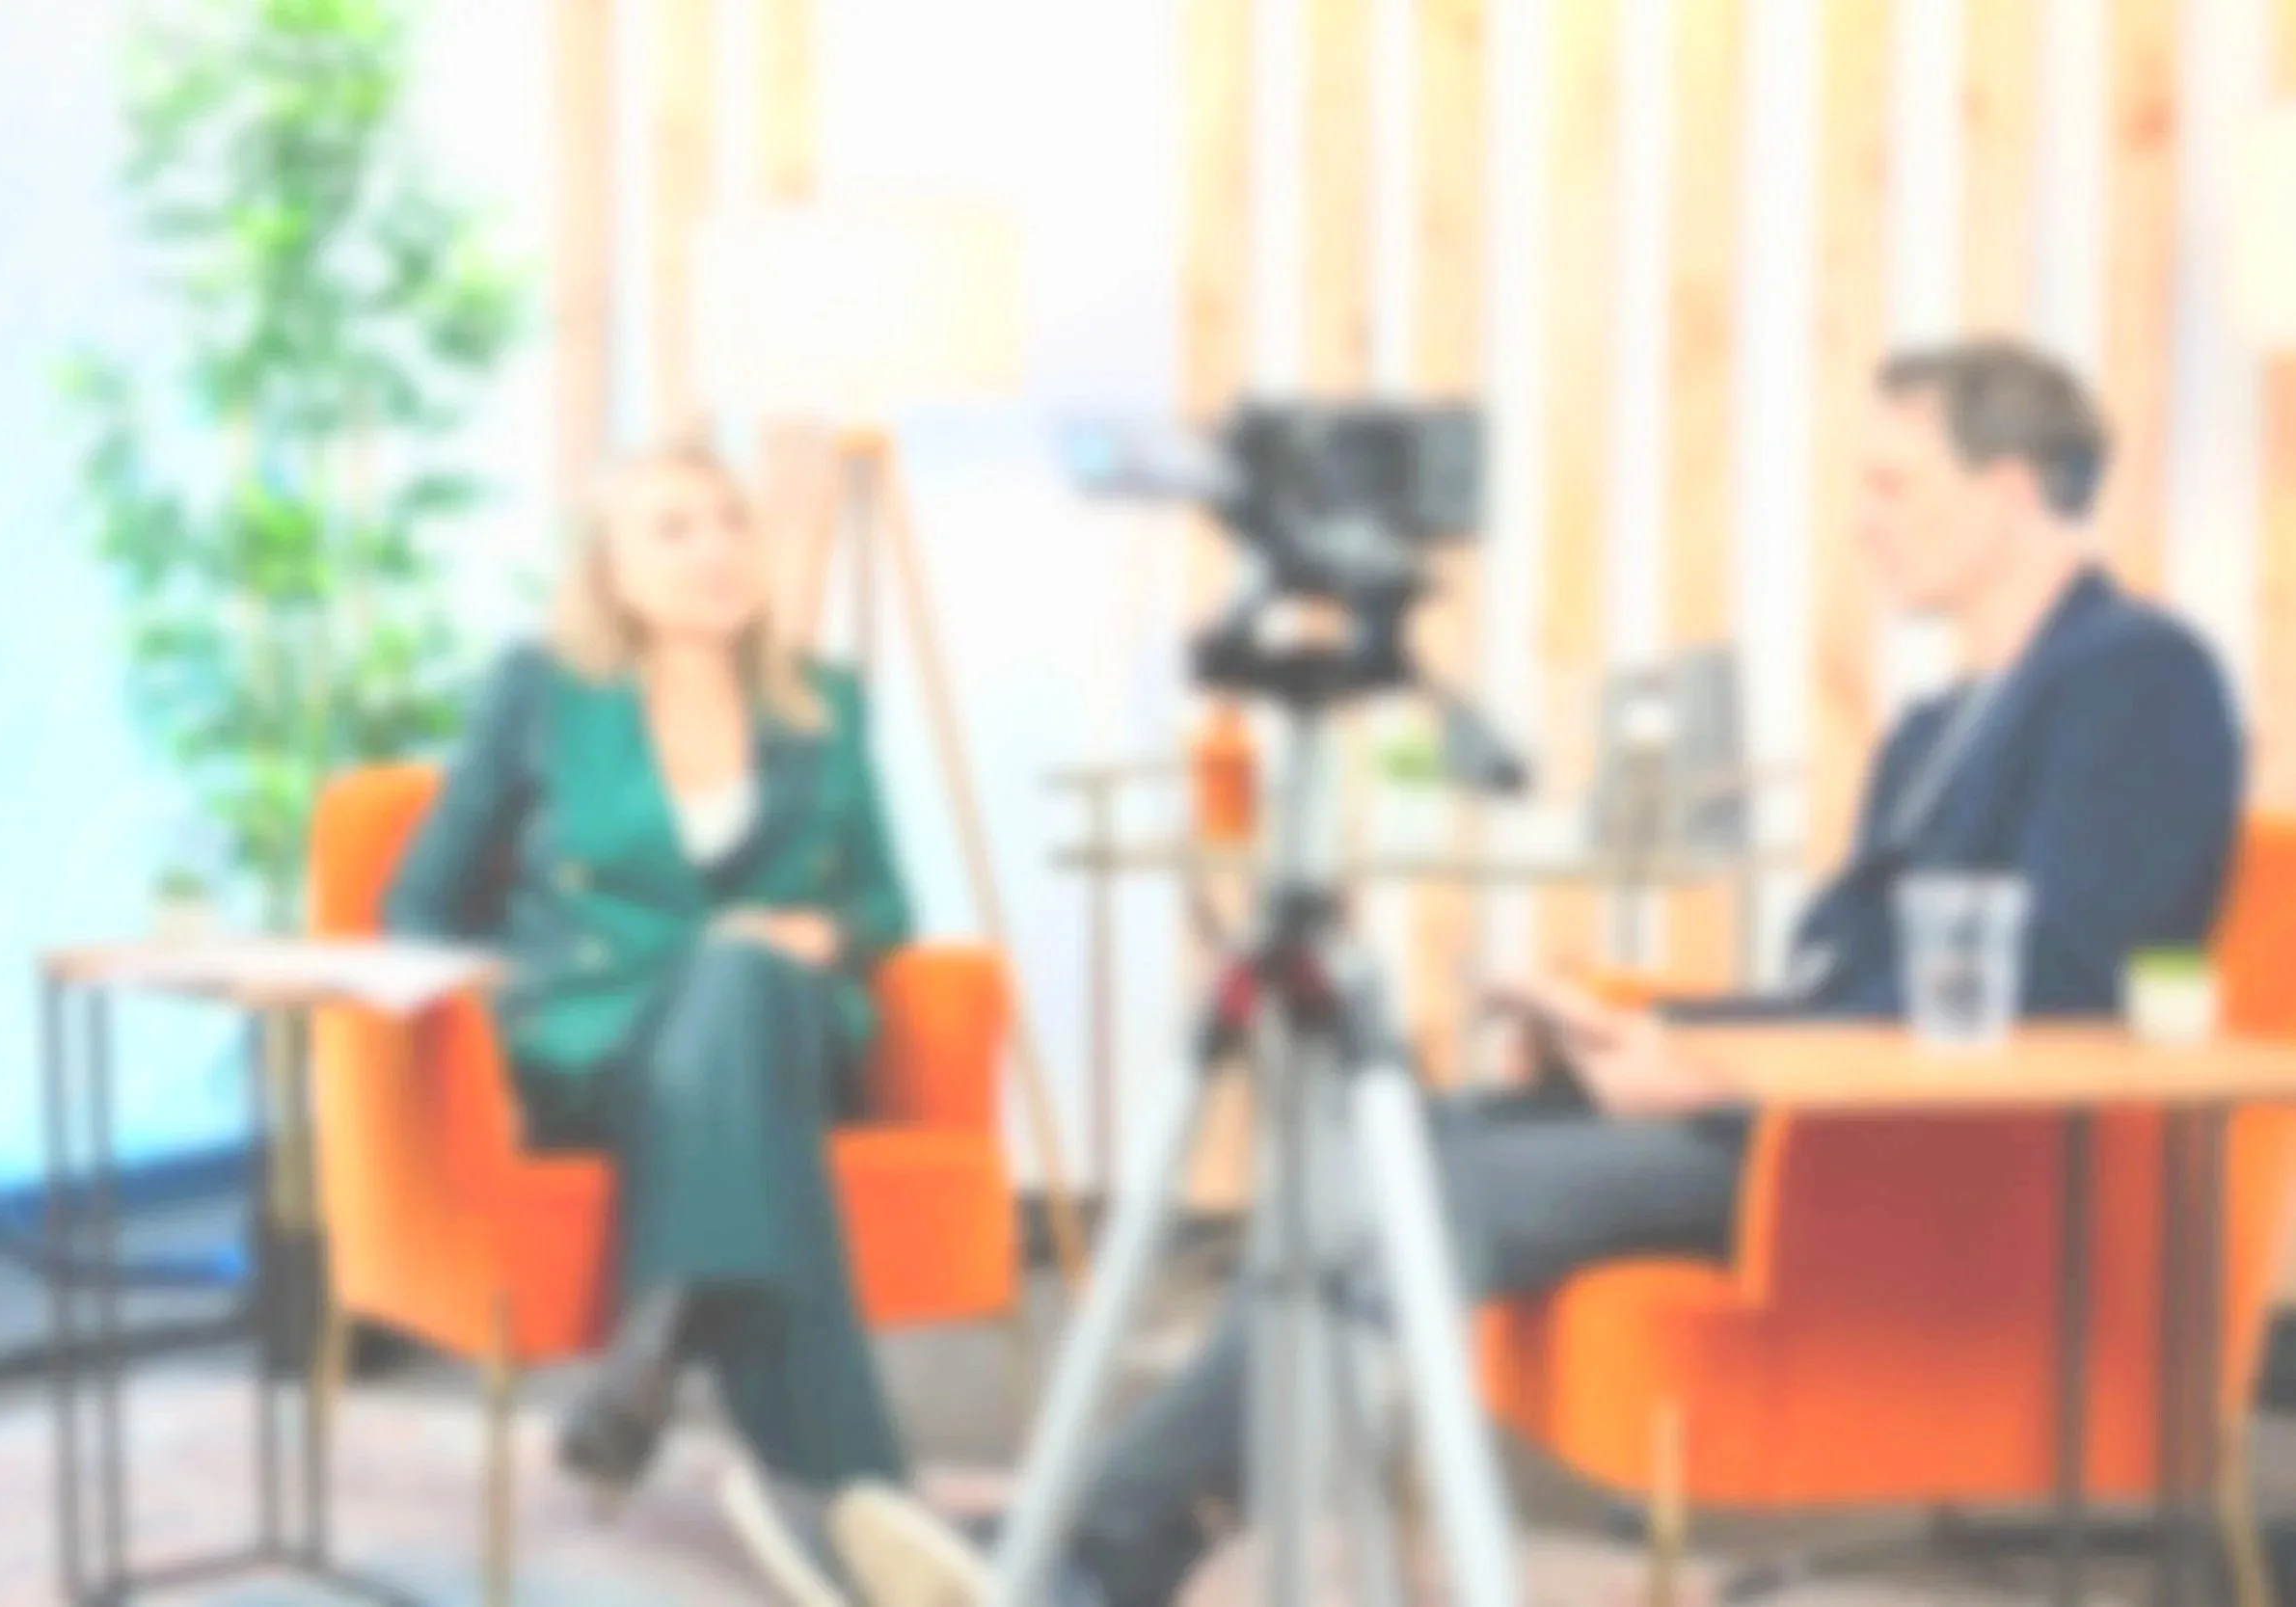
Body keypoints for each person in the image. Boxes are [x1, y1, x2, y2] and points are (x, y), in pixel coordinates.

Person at [829, 339, 2246, 1607]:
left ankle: (1082, 1540)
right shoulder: (1941, 715)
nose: (1859, 520)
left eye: (1892, 484)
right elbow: (1844, 985)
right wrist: (1635, 1024)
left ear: (2006, 489)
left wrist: (1698, 1064)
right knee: (1379, 1140)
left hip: (1891, 1161)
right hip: (1786, 1108)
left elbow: (2044, 988)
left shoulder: (2136, 674)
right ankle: (1124, 1533)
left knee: (1413, 1186)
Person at [384, 438, 975, 1606]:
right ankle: (856, 1494)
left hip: (783, 1026)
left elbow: (885, 901)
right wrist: (492, 991)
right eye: (673, 528)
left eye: (729, 520)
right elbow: (419, 899)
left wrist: (825, 938)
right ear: (610, 569)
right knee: (731, 986)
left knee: (745, 978)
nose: (714, 548)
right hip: (598, 1037)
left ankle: (668, 1323)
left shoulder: (826, 697)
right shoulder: (541, 690)